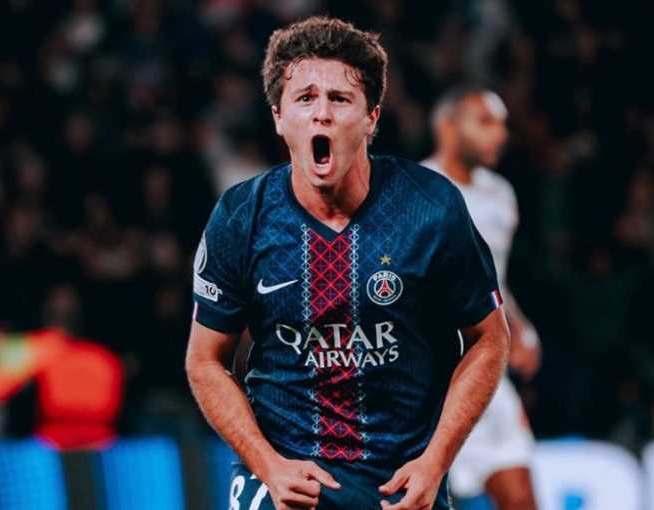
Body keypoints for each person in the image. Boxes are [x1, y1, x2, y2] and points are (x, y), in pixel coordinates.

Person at [185, 17, 510, 510]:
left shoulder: (430, 208)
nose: (322, 114)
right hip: (287, 475)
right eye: (305, 98)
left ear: (372, 117)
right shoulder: (240, 217)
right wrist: (267, 464)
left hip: (397, 483)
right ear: (278, 117)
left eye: (339, 99)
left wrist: (436, 461)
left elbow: (489, 337)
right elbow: (205, 359)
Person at [423, 88, 540, 510]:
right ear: (447, 128)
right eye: (485, 122)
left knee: (520, 495)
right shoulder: (416, 191)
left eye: (502, 124)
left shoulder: (501, 195)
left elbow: (495, 281)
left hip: (486, 368)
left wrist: (519, 327)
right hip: (426, 379)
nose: (500, 134)